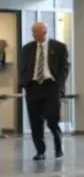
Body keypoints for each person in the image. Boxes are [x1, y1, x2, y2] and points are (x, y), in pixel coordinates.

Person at [18, 22, 70, 160]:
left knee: (52, 119)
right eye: (32, 32)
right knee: (35, 122)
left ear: (44, 32)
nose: (33, 35)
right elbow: (22, 66)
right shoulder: (27, 48)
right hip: (33, 87)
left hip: (51, 87)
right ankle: (40, 151)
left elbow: (65, 67)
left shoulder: (59, 47)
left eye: (35, 32)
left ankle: (58, 146)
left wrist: (58, 84)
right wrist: (23, 82)